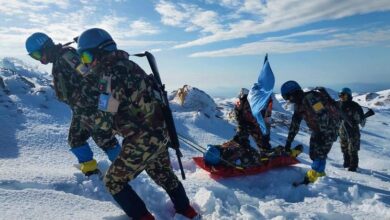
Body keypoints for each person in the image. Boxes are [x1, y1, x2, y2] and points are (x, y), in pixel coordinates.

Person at [76, 28, 199, 220]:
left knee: (113, 181)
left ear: (98, 53)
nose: (86, 62)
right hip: (159, 133)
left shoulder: (109, 76)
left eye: (86, 56)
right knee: (163, 174)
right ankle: (188, 212)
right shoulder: (131, 66)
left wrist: (85, 116)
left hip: (141, 139)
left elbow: (104, 120)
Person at [25, 33, 121, 176]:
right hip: (80, 109)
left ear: (46, 47)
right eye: (34, 57)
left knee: (104, 139)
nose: (39, 59)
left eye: (38, 54)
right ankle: (90, 171)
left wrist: (92, 102)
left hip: (91, 107)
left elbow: (92, 75)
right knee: (75, 139)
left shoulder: (67, 57)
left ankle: (125, 171)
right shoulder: (59, 59)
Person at [281, 81, 340, 184]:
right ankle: (320, 175)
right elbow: (294, 125)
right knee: (313, 154)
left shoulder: (311, 98)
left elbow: (323, 114)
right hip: (318, 130)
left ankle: (314, 176)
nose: (289, 101)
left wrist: (322, 134)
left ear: (294, 93)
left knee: (319, 153)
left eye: (288, 97)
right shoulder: (298, 106)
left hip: (328, 129)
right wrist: (288, 142)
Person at [337, 87, 365, 172]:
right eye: (340, 95)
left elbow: (362, 122)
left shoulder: (355, 106)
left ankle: (353, 167)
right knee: (344, 147)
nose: (341, 97)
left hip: (353, 130)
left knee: (353, 149)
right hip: (342, 130)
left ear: (348, 96)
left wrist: (356, 119)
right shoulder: (338, 105)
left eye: (343, 95)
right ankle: (346, 163)